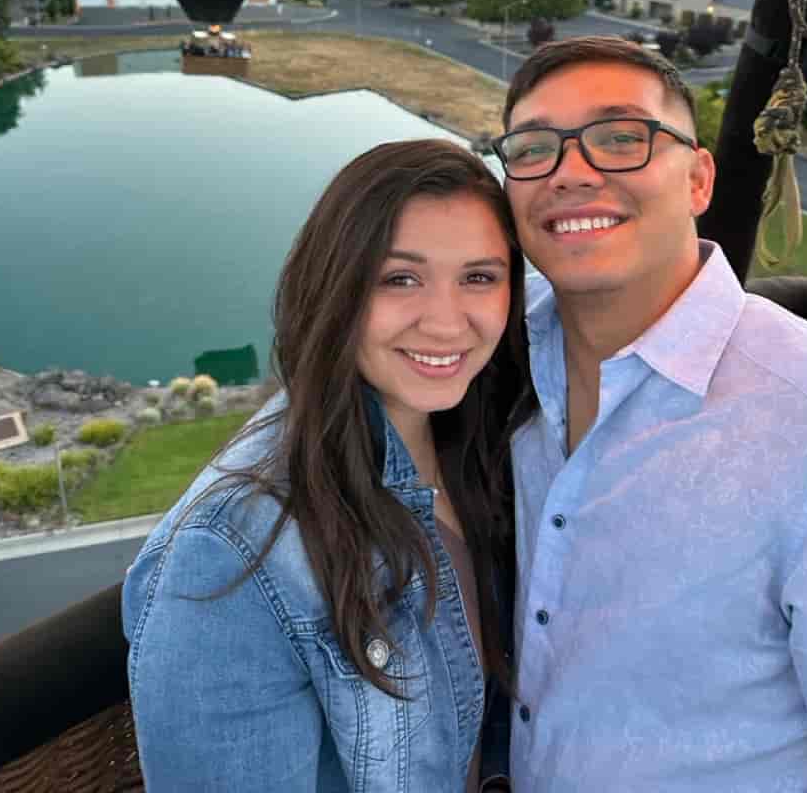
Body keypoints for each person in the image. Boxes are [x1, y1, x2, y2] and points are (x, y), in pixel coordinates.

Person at [491, 36, 807, 793]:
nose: (572, 171)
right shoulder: (493, 347)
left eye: (622, 137)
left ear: (698, 178)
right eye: (533, 148)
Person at [122, 139, 533, 792]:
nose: (448, 322)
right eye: (400, 278)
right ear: (335, 286)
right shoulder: (230, 556)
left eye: (479, 277)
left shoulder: (480, 433)